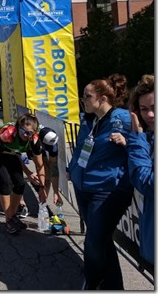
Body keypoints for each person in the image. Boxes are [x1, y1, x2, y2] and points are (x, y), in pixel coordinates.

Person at [67, 73, 133, 290]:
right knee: (101, 240)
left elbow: (146, 142)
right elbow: (80, 148)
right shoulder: (88, 119)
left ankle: (92, 281)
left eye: (87, 96)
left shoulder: (123, 119)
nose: (83, 99)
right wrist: (73, 169)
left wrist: (127, 143)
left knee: (93, 242)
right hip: (83, 187)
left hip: (107, 191)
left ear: (103, 98)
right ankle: (114, 286)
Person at [0, 113, 47, 234]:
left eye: (29, 133)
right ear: (18, 127)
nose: (25, 135)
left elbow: (40, 166)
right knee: (6, 183)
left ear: (33, 133)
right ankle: (8, 219)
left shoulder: (34, 141)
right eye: (23, 131)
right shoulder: (8, 133)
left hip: (12, 154)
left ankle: (12, 216)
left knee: (20, 183)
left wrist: (42, 188)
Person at [126, 74, 154, 273]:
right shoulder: (149, 138)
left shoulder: (142, 139)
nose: (150, 115)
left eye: (154, 108)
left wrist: (136, 139)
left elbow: (147, 182)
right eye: (144, 109)